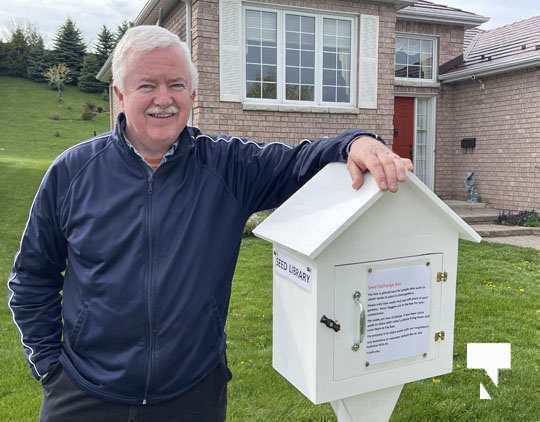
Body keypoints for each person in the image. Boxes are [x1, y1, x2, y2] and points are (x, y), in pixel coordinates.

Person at [7, 25, 412, 422]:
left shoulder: (229, 167)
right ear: (119, 94)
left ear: (193, 95)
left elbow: (301, 161)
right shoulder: (72, 173)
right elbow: (32, 278)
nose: (163, 99)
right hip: (84, 395)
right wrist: (49, 367)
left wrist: (357, 141)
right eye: (147, 85)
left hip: (192, 396)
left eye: (177, 85)